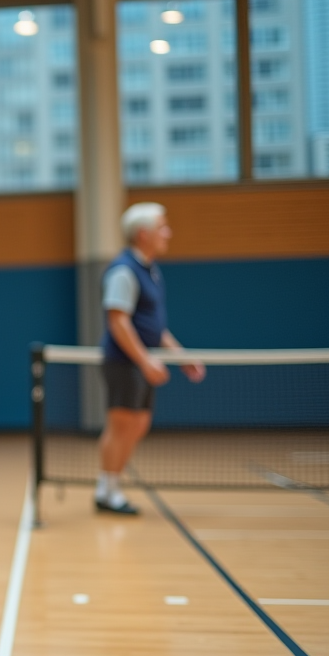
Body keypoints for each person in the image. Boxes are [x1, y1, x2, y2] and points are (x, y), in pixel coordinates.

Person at [96, 203, 205, 515]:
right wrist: (145, 361)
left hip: (141, 361)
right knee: (121, 425)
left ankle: (107, 486)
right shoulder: (123, 271)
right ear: (143, 235)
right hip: (123, 363)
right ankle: (109, 492)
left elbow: (155, 327)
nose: (168, 233)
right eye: (162, 228)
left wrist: (179, 355)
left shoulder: (150, 271)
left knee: (138, 424)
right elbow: (118, 321)